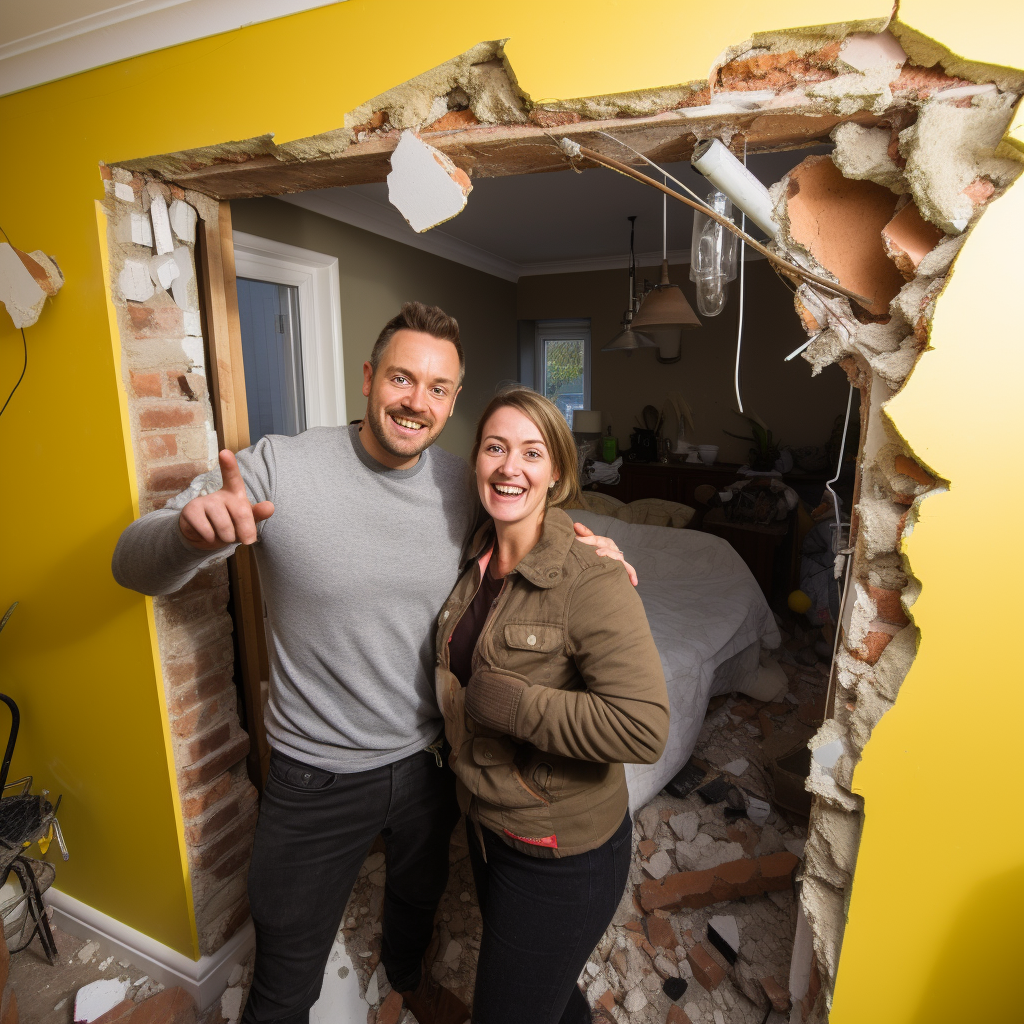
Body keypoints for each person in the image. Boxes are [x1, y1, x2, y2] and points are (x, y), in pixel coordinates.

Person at [112, 302, 633, 1024]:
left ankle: (403, 976)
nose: (417, 401)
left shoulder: (464, 481)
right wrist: (188, 536)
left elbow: (533, 514)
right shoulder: (277, 469)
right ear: (368, 377)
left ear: (454, 399)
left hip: (430, 761)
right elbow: (131, 563)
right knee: (286, 961)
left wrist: (593, 546)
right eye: (401, 378)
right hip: (313, 772)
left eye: (438, 388)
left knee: (415, 900)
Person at [436, 387, 670, 1024]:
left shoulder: (590, 578)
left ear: (558, 472)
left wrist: (511, 704)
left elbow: (643, 728)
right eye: (495, 447)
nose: (511, 466)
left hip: (560, 854)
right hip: (488, 826)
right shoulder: (472, 556)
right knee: (547, 992)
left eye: (531, 452)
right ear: (476, 463)